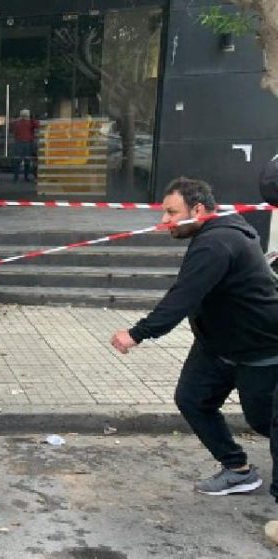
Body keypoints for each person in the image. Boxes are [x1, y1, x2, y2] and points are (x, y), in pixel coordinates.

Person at [110, 177, 278, 502]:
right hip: (216, 344)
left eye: (172, 213)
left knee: (263, 420)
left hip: (259, 347)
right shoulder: (216, 232)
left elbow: (182, 297)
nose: (164, 221)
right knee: (192, 399)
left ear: (198, 209)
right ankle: (238, 469)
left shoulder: (217, 242)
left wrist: (136, 333)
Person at [11, 109, 38, 182]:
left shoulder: (17, 122)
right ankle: (26, 177)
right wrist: (32, 119)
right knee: (27, 160)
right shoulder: (30, 122)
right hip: (28, 143)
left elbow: (12, 127)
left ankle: (15, 177)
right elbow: (37, 125)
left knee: (17, 160)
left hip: (18, 142)